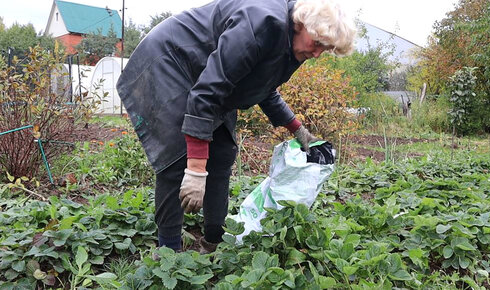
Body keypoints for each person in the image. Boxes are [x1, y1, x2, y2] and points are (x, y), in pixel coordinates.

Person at [116, 0, 355, 253]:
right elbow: (207, 94)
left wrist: (297, 128)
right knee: (178, 160)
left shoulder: (294, 43)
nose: (317, 54)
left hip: (209, 77)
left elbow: (262, 87)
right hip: (171, 62)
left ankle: (214, 241)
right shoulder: (259, 24)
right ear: (301, 24)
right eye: (317, 44)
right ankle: (168, 252)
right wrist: (196, 169)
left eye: (325, 49)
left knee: (222, 153)